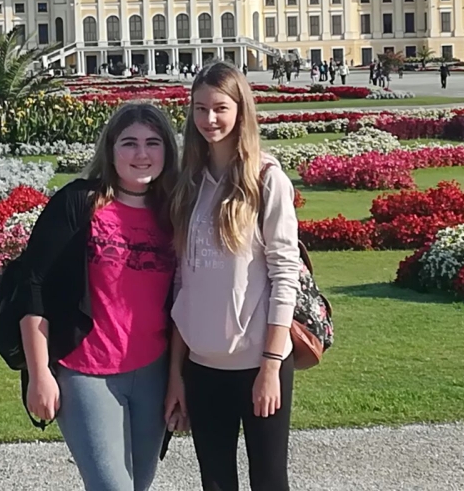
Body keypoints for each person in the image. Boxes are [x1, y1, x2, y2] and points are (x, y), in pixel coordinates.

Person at [18, 103, 180, 491]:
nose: (141, 154)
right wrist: (39, 374)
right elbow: (32, 285)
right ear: (110, 149)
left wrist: (178, 379)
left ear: (167, 150)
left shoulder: (174, 211)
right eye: (129, 143)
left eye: (152, 143)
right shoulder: (78, 203)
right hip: (86, 370)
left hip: (152, 371)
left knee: (138, 485)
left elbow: (183, 302)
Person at [166, 62, 301, 491]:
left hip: (258, 362)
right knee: (216, 481)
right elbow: (183, 286)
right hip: (202, 367)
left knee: (269, 480)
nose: (209, 119)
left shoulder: (266, 179)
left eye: (220, 108)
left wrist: (271, 366)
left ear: (241, 110)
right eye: (200, 108)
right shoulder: (189, 184)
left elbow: (285, 275)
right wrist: (176, 374)